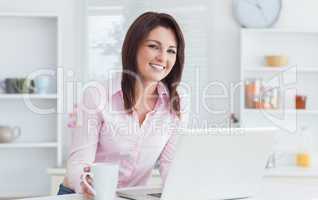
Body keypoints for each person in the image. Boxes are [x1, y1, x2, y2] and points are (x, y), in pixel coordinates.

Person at [58, 11, 188, 199]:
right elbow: (78, 163)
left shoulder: (177, 103)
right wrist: (86, 184)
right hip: (82, 195)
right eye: (153, 46)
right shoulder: (97, 95)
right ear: (133, 48)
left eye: (171, 50)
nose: (162, 57)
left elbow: (170, 165)